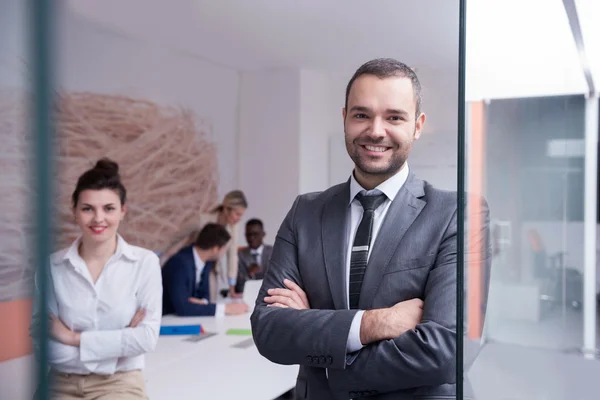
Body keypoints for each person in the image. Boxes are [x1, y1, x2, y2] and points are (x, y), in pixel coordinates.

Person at [250, 58, 491, 399]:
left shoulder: (456, 213)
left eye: (394, 117)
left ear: (417, 126)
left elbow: (443, 352)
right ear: (345, 118)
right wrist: (376, 323)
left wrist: (321, 342)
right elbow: (269, 331)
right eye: (362, 114)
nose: (376, 130)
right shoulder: (305, 212)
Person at [30, 158, 162, 399]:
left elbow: (146, 339)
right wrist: (119, 343)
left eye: (108, 208)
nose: (98, 218)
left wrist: (71, 338)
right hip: (61, 383)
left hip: (120, 383)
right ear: (74, 211)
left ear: (123, 211)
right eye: (87, 208)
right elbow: (44, 348)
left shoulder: (145, 263)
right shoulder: (51, 267)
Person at [160, 190, 248, 301]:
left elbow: (232, 255)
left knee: (209, 301)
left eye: (241, 215)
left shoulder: (233, 226)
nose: (239, 219)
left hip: (211, 268)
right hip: (190, 264)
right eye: (237, 214)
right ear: (226, 209)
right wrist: (163, 256)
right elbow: (177, 236)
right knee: (187, 300)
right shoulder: (201, 220)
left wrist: (232, 288)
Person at [161, 223, 249, 316]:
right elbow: (183, 308)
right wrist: (225, 308)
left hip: (185, 320)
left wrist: (202, 302)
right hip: (167, 320)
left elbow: (205, 296)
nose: (224, 253)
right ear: (215, 249)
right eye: (224, 249)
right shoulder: (180, 263)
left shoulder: (206, 262)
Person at [234, 218, 273, 294]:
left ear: (263, 234)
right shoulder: (240, 255)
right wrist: (250, 274)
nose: (251, 238)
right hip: (247, 296)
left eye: (255, 234)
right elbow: (239, 286)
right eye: (248, 234)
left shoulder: (274, 252)